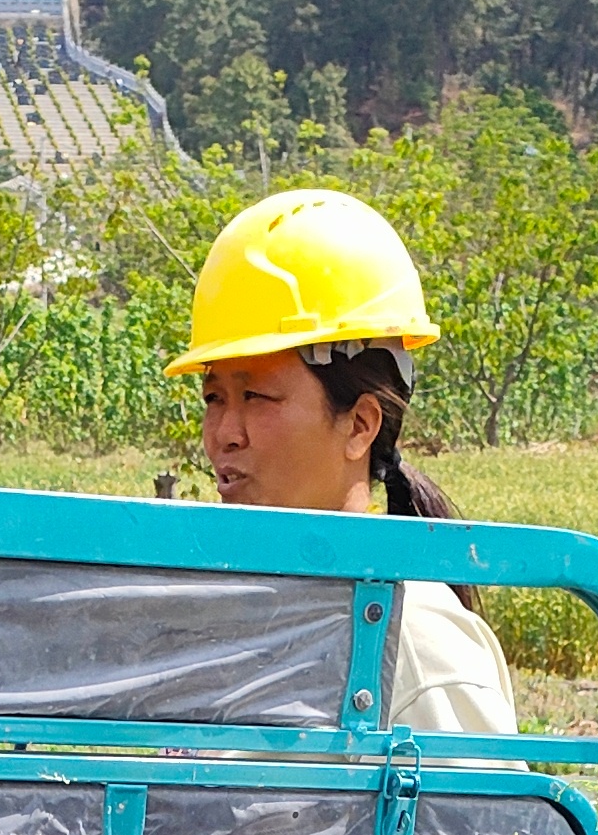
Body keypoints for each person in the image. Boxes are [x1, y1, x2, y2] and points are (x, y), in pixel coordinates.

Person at [171, 185, 518, 740]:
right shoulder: (231, 613)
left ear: (359, 425)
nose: (223, 437)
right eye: (214, 399)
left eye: (255, 397)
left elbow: (483, 828)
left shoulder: (418, 644)